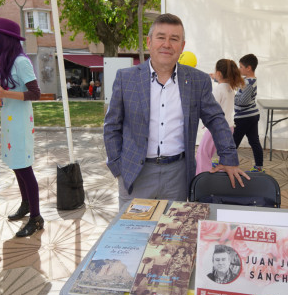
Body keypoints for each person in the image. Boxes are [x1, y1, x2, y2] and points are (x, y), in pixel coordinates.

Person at [104, 13, 250, 209]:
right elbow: (112, 125)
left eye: (174, 39)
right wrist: (117, 166)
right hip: (135, 174)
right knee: (134, 234)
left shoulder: (198, 80)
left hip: (178, 175)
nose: (167, 44)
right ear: (149, 42)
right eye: (161, 37)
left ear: (182, 46)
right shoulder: (126, 78)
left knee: (171, 233)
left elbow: (216, 119)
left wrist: (229, 157)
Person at [0, 18, 43, 237]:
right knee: (17, 166)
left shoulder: (21, 61)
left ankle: (36, 217)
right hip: (9, 121)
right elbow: (2, 98)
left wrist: (4, 93)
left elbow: (35, 93)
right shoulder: (5, 63)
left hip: (19, 124)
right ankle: (26, 204)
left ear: (4, 39)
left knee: (25, 168)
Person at [196, 59, 244, 174]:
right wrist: (215, 77)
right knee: (215, 154)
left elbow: (211, 108)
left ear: (219, 73)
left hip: (217, 128)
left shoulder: (218, 89)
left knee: (203, 154)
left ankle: (200, 177)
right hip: (229, 127)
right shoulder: (230, 88)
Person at [232, 54, 264, 172]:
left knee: (233, 142)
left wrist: (232, 98)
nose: (239, 69)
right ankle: (259, 166)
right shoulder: (249, 80)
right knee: (254, 141)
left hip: (244, 117)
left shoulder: (248, 83)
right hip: (252, 115)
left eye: (240, 67)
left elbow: (243, 102)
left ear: (248, 68)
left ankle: (224, 162)